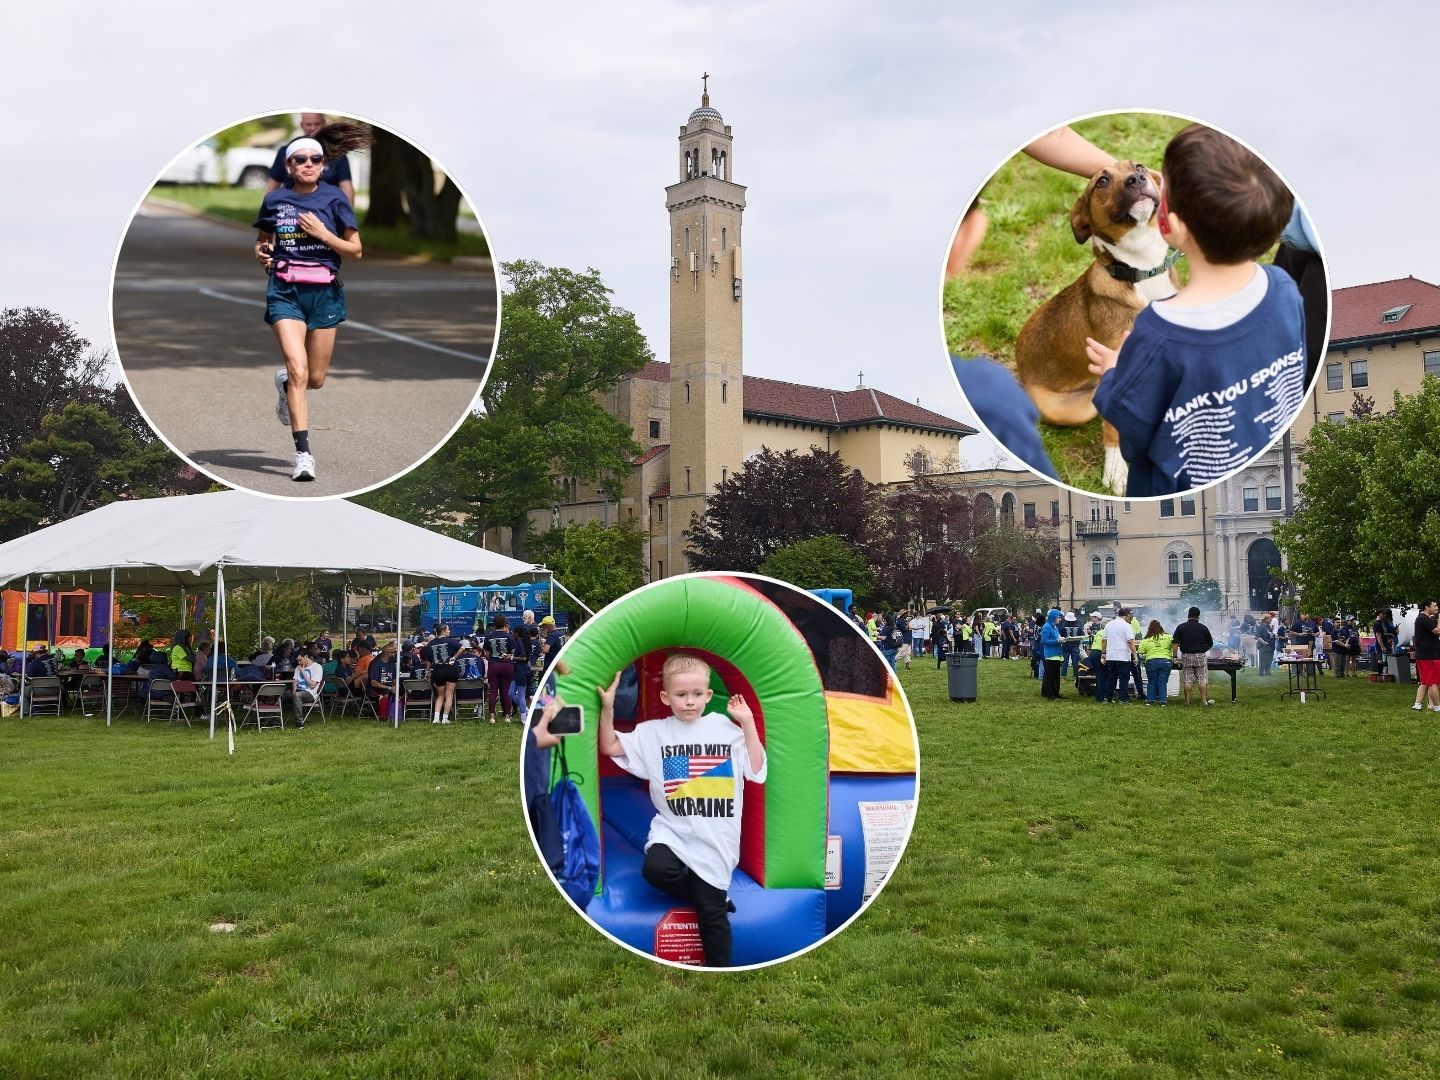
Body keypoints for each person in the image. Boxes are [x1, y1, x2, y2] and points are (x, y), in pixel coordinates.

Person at [1086, 123, 1304, 496]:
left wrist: (1112, 376)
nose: (1146, 179)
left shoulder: (1156, 333)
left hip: (1176, 486)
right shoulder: (1284, 288)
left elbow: (1135, 435)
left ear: (1171, 221)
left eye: (1162, 181)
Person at [597, 654, 766, 968]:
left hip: (717, 839)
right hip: (674, 832)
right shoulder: (654, 733)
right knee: (655, 870)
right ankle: (706, 894)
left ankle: (719, 973)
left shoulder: (724, 729)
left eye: (697, 694)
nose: (690, 702)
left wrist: (747, 723)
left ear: (708, 695)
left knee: (711, 915)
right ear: (665, 697)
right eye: (681, 695)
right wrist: (608, 708)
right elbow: (610, 747)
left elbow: (756, 769)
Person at [253, 121, 371, 482]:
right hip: (285, 291)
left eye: (315, 159)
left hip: (324, 293)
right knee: (299, 370)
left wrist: (323, 234)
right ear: (288, 166)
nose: (308, 164)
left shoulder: (334, 199)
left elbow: (356, 250)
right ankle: (303, 455)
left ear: (323, 164)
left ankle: (286, 385)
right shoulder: (275, 200)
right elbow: (262, 240)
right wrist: (262, 252)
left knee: (315, 379)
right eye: (300, 159)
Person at [265, 112, 356, 205]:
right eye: (300, 159)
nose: (313, 128)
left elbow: (346, 187)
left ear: (324, 123)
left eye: (316, 159)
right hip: (292, 206)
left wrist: (347, 214)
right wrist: (269, 208)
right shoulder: (286, 151)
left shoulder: (337, 154)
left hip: (327, 207)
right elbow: (272, 186)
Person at [423, 623, 465, 725]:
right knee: (449, 695)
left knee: (440, 695)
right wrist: (454, 657)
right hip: (450, 669)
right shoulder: (450, 641)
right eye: (448, 629)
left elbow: (428, 661)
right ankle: (445, 718)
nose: (449, 631)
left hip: (438, 670)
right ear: (442, 631)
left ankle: (436, 718)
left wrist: (427, 672)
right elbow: (462, 648)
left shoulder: (430, 644)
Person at [1172, 606, 1215, 706]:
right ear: (1198, 616)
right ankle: (1204, 701)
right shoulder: (1203, 627)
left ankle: (1187, 701)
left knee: (1188, 680)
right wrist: (1203, 650)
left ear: (1188, 616)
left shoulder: (1181, 627)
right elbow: (1210, 643)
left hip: (1186, 656)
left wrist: (1174, 656)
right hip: (1200, 656)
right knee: (1202, 680)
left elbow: (1175, 643)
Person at [484, 615, 520, 723]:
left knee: (493, 691)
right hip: (507, 665)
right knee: (506, 690)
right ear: (505, 624)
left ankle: (491, 717)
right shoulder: (509, 636)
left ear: (494, 625)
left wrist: (491, 659)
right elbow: (514, 652)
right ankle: (507, 717)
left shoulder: (488, 636)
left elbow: (486, 653)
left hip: (493, 665)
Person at [1099, 607, 1136, 704]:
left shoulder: (1109, 625)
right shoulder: (1127, 626)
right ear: (1126, 616)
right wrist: (1135, 655)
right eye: (1130, 616)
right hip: (1123, 656)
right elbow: (1130, 641)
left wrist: (1103, 653)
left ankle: (1108, 698)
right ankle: (1123, 698)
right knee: (1124, 678)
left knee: (1111, 678)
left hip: (1111, 655)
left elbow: (1104, 640)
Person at [1410, 598, 1440, 712]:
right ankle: (1437, 707)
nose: (1436, 608)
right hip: (1428, 655)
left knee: (1425, 682)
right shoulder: (1423, 619)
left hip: (1424, 654)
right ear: (1427, 607)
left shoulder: (1424, 619)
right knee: (1433, 682)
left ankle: (1417, 705)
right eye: (1434, 606)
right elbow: (1437, 631)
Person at [1138, 620, 1174, 706]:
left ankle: (1150, 700)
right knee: (1162, 681)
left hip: (1151, 662)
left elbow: (1141, 651)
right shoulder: (1168, 637)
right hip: (1165, 661)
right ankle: (1163, 701)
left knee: (1152, 681)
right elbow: (1175, 645)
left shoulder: (1146, 639)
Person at [367, 641, 400, 721]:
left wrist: (395, 686)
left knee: (402, 691)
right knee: (386, 693)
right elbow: (373, 683)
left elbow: (394, 677)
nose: (395, 653)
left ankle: (397, 715)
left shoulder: (392, 662)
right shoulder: (375, 663)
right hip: (375, 687)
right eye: (394, 652)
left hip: (389, 685)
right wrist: (389, 688)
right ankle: (383, 716)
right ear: (389, 653)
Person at [292, 646, 323, 727]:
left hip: (310, 693)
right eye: (297, 661)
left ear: (306, 657)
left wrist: (303, 673)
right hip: (298, 691)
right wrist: (293, 691)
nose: (298, 663)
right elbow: (295, 681)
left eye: (300, 660)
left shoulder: (317, 667)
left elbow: (312, 685)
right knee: (280, 693)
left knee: (297, 695)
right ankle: (276, 721)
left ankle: (299, 723)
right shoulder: (297, 667)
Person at [1039, 610, 1064, 699]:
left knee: (1056, 676)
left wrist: (1062, 639)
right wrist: (1057, 641)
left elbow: (1057, 637)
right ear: (1053, 617)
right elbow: (1044, 641)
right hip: (1051, 655)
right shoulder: (1047, 627)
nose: (1060, 619)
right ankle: (1049, 694)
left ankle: (1056, 692)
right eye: (1058, 617)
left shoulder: (1055, 627)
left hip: (1057, 654)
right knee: (1049, 676)